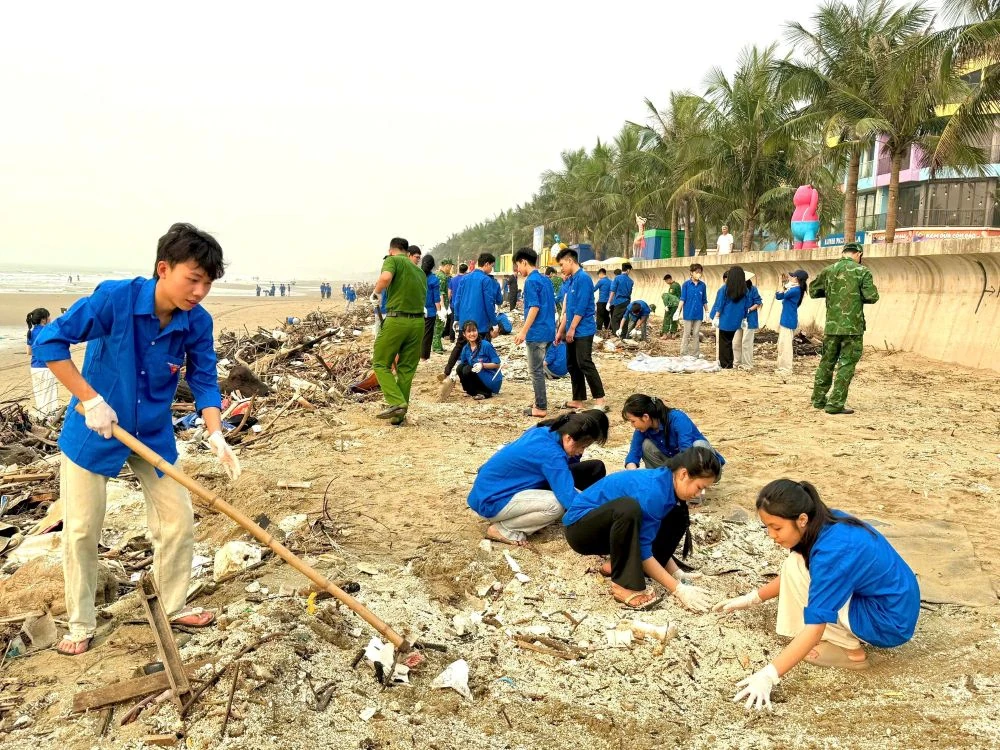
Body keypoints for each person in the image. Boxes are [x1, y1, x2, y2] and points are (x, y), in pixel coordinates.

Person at [32, 223, 240, 655]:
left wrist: (216, 432)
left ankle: (171, 605)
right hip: (94, 429)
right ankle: (80, 623)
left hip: (152, 434)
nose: (200, 292)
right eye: (193, 279)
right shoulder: (116, 299)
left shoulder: (196, 321)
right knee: (82, 530)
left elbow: (204, 378)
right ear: (163, 269)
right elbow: (50, 342)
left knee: (177, 520)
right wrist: (90, 399)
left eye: (208, 283)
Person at [716, 479, 919, 711]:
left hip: (888, 621)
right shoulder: (825, 520)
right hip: (894, 602)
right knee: (796, 563)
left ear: (802, 520)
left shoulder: (833, 553)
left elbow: (816, 625)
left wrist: (768, 675)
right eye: (767, 527)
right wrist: (752, 598)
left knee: (814, 593)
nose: (771, 535)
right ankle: (837, 636)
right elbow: (797, 571)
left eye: (777, 528)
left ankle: (850, 653)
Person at [563, 446, 721, 611]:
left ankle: (615, 563)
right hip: (580, 528)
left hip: (609, 528)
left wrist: (677, 573)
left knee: (677, 516)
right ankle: (623, 585)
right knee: (628, 508)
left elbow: (651, 535)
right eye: (699, 487)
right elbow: (643, 549)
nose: (699, 494)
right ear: (683, 474)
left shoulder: (668, 485)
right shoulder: (654, 492)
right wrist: (678, 589)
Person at [468, 410, 609, 545]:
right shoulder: (552, 454)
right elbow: (568, 497)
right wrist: (598, 520)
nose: (581, 452)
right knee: (555, 506)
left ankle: (521, 519)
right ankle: (504, 530)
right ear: (568, 438)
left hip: (485, 493)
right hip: (491, 502)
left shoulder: (543, 431)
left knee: (572, 495)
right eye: (582, 447)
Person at [809, 243, 879, 415]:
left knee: (826, 362)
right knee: (846, 364)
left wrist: (832, 293)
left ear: (844, 253)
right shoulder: (862, 271)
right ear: (859, 254)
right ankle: (835, 404)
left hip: (832, 326)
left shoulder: (828, 270)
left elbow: (814, 291)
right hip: (853, 328)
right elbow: (872, 297)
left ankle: (818, 400)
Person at [371, 237, 427, 425]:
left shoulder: (392, 260)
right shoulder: (420, 272)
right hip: (418, 323)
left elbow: (385, 278)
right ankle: (398, 416)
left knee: (380, 363)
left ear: (391, 250)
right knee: (406, 369)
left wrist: (376, 293)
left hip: (397, 320)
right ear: (407, 251)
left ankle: (396, 402)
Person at [556, 248, 607, 412]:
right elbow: (568, 311)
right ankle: (578, 399)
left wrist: (572, 329)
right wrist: (560, 332)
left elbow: (581, 307)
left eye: (562, 264)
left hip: (583, 330)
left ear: (570, 261)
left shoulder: (583, 279)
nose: (561, 269)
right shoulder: (571, 281)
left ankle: (600, 399)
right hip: (572, 329)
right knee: (572, 364)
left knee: (584, 362)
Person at [621, 393, 725, 471]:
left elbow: (687, 451)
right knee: (646, 445)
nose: (632, 425)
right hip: (678, 464)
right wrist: (632, 474)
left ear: (645, 417)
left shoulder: (677, 418)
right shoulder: (643, 428)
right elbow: (633, 454)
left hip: (700, 464)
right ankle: (660, 481)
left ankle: (697, 483)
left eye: (633, 421)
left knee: (699, 445)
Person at [513, 247, 556, 418]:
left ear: (524, 262)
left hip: (537, 332)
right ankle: (538, 401)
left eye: (518, 265)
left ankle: (541, 407)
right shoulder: (546, 280)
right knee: (538, 369)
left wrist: (523, 332)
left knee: (535, 371)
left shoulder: (531, 281)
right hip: (548, 330)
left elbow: (534, 307)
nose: (518, 269)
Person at [443, 254, 498, 380]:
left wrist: (457, 318)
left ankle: (447, 371)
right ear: (487, 264)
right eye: (492, 266)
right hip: (480, 323)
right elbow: (489, 303)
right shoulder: (486, 280)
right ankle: (478, 377)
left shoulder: (465, 278)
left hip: (464, 320)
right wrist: (494, 322)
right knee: (482, 348)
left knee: (459, 345)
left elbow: (457, 300)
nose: (491, 269)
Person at [453, 321, 503, 400]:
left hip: (491, 379)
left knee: (467, 369)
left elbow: (497, 364)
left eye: (474, 330)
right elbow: (463, 364)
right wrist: (453, 374)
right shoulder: (466, 348)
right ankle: (471, 391)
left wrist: (482, 365)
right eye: (469, 331)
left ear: (477, 331)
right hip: (478, 378)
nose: (472, 334)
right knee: (460, 368)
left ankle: (486, 393)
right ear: (464, 334)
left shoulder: (486, 345)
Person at [709, 266, 748, 369]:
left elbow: (720, 305)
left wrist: (716, 317)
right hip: (736, 320)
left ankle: (725, 364)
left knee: (724, 343)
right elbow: (745, 306)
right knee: (729, 341)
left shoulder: (724, 289)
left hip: (725, 320)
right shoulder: (744, 290)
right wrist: (744, 318)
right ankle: (729, 363)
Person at [25, 307, 59, 417]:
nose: (50, 319)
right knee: (50, 396)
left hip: (35, 367)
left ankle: (42, 416)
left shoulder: (31, 332)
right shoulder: (47, 331)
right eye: (49, 317)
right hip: (47, 367)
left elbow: (29, 352)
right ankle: (49, 418)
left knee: (39, 395)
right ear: (43, 319)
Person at [775, 270, 808, 376]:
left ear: (797, 279)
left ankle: (786, 368)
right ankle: (782, 367)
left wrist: (782, 284)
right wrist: (785, 285)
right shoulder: (795, 289)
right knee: (782, 344)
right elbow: (779, 295)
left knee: (786, 346)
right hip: (787, 319)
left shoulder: (795, 290)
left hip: (788, 320)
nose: (791, 277)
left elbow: (779, 296)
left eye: (793, 276)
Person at [733, 274, 763, 370]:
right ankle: (737, 362)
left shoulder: (753, 289)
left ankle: (747, 364)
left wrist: (749, 309)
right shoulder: (736, 290)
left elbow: (758, 302)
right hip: (738, 319)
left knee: (746, 342)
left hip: (750, 319)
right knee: (736, 342)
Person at [677, 264, 709, 357]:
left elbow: (704, 300)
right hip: (688, 313)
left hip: (698, 314)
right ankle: (683, 353)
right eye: (696, 272)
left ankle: (695, 354)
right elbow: (682, 299)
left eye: (700, 272)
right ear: (691, 273)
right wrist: (678, 311)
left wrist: (707, 312)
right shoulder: (686, 285)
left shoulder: (702, 285)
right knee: (686, 333)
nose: (698, 274)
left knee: (696, 334)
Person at [420, 254, 441, 361]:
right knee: (427, 334)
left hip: (417, 309)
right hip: (430, 311)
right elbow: (436, 298)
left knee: (417, 333)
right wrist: (440, 311)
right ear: (433, 266)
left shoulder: (417, 276)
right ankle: (423, 356)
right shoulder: (434, 279)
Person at [433, 258, 454, 354]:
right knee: (439, 326)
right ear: (447, 265)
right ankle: (436, 347)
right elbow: (440, 293)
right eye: (450, 266)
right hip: (441, 305)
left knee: (440, 326)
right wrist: (442, 308)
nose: (450, 268)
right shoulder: (442, 277)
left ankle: (439, 345)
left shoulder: (439, 275)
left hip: (441, 305)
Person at [609, 263, 634, 336]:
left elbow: (613, 291)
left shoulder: (617, 278)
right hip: (627, 301)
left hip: (619, 302)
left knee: (615, 319)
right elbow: (630, 292)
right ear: (628, 270)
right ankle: (624, 335)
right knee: (625, 318)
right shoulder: (631, 281)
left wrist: (609, 302)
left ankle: (617, 334)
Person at [446, 263, 467, 344]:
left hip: (454, 304)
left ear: (459, 270)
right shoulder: (466, 280)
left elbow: (449, 292)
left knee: (453, 320)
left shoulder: (452, 279)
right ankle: (461, 337)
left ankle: (451, 338)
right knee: (463, 321)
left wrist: (449, 302)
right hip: (463, 304)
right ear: (466, 271)